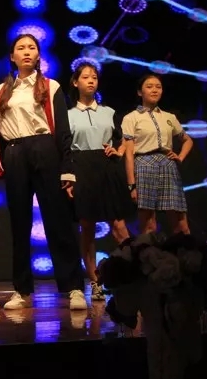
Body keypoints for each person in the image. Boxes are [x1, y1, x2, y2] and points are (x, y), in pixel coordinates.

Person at [0, 33, 87, 311]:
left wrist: (67, 169)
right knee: (19, 223)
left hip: (45, 149)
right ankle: (21, 290)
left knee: (58, 220)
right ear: (12, 56)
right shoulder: (1, 91)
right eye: (21, 48)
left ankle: (74, 287)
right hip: (15, 152)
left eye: (32, 48)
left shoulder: (51, 86)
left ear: (39, 55)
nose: (26, 52)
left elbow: (63, 131)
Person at [67, 62, 133, 301]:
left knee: (119, 226)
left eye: (94, 77)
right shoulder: (68, 115)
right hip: (82, 168)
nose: (91, 81)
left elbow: (125, 140)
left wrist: (118, 150)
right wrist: (68, 178)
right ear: (76, 82)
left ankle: (132, 276)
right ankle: (95, 282)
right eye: (85, 77)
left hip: (107, 169)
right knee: (87, 227)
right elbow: (64, 148)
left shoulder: (109, 112)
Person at [121, 74, 193, 235]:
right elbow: (129, 153)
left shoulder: (169, 117)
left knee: (180, 223)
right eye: (149, 87)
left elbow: (188, 140)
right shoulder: (131, 118)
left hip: (168, 165)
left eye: (158, 87)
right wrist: (132, 185)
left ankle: (184, 250)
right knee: (149, 225)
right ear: (140, 92)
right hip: (144, 165)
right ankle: (150, 252)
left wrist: (180, 157)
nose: (154, 90)